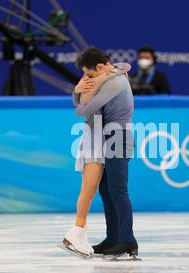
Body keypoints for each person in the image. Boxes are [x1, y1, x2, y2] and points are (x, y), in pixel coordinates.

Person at [61, 47, 138, 258]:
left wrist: (78, 93)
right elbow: (84, 106)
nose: (88, 78)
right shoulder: (109, 75)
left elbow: (84, 110)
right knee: (106, 191)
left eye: (90, 74)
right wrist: (77, 91)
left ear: (101, 67)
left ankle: (128, 240)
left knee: (118, 190)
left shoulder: (115, 81)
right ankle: (113, 238)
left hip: (118, 137)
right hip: (108, 137)